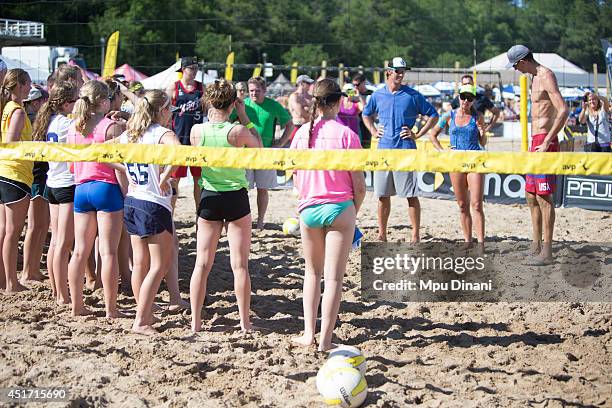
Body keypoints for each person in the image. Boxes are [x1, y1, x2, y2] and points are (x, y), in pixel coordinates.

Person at [290, 78, 366, 352]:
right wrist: (352, 211)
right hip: (339, 207)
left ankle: (308, 334)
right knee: (334, 279)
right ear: (337, 102)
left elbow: (296, 180)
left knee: (312, 274)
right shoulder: (347, 135)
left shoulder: (301, 134)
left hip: (309, 209)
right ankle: (325, 340)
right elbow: (359, 185)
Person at [189, 79, 262, 333]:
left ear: (209, 101)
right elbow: (260, 148)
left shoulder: (197, 131)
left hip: (209, 196)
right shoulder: (238, 131)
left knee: (202, 264)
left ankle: (195, 322)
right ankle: (244, 323)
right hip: (235, 197)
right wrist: (244, 116)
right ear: (233, 103)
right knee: (240, 265)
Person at [119, 90, 180, 335]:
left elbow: (100, 153)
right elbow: (179, 152)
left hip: (132, 200)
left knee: (141, 264)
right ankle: (142, 320)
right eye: (169, 111)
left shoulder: (129, 135)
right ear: (162, 111)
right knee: (160, 265)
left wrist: (124, 168)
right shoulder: (163, 134)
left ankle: (144, 311)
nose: (170, 117)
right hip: (153, 204)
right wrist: (165, 176)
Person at [67, 80, 127, 318]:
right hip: (106, 187)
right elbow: (122, 166)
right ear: (103, 101)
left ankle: (76, 306)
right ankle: (111, 310)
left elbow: (72, 166)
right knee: (108, 252)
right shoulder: (110, 127)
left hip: (81, 189)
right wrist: (126, 194)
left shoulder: (74, 128)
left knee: (80, 251)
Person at [362, 57, 439, 243]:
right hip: (384, 151)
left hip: (405, 150)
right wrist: (373, 130)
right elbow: (366, 115)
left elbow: (434, 115)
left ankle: (415, 235)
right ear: (389, 72)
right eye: (397, 70)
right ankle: (382, 234)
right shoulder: (378, 95)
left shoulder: (412, 95)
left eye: (403, 71)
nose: (401, 74)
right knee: (382, 195)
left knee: (411, 196)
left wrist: (418, 134)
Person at [507, 44, 569, 265]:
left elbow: (563, 110)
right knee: (531, 195)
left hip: (545, 141)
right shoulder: (533, 78)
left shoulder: (546, 75)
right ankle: (536, 246)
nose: (515, 69)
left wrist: (548, 140)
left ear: (524, 60)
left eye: (515, 65)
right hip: (536, 142)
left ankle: (547, 252)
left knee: (544, 197)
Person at [32, 81, 78, 303]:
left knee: (57, 241)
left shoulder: (48, 121)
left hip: (53, 183)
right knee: (63, 243)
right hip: (66, 185)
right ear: (68, 103)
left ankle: (56, 290)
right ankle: (62, 295)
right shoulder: (67, 124)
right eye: (76, 100)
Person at [231, 76, 294, 229]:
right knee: (242, 189)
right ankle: (244, 220)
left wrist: (280, 143)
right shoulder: (242, 105)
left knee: (262, 189)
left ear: (265, 91)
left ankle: (260, 221)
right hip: (245, 153)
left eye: (257, 91)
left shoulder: (273, 105)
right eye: (251, 90)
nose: (253, 93)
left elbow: (290, 125)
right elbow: (227, 121)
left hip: (265, 153)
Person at [429, 85, 487, 246]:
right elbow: (432, 135)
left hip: (474, 160)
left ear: (474, 100)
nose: (466, 101)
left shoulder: (478, 117)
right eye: (464, 97)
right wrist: (442, 151)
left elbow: (482, 143)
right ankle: (468, 241)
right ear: (459, 97)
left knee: (476, 203)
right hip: (455, 161)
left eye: (470, 98)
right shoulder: (449, 115)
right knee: (462, 205)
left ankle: (481, 244)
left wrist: (483, 133)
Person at [0, 69, 33, 293]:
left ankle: (4, 280)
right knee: (12, 233)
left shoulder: (6, 108)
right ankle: (11, 282)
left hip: (5, 173)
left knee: (4, 232)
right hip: (15, 175)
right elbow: (11, 145)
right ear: (20, 85)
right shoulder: (18, 111)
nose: (31, 87)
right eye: (28, 83)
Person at [165, 56, 205, 210]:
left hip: (197, 141)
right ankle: (170, 214)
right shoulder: (174, 88)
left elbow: (209, 109)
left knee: (199, 180)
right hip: (179, 140)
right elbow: (165, 112)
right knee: (174, 180)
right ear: (183, 69)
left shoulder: (202, 88)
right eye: (191, 68)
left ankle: (199, 215)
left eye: (196, 68)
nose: (194, 72)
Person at [21, 86, 51, 283]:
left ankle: (32, 269)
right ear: (35, 102)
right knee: (35, 226)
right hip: (36, 177)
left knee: (40, 226)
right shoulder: (31, 120)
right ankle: (27, 271)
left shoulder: (32, 119)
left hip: (38, 176)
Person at [288, 74, 314, 139]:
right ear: (302, 83)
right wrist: (309, 110)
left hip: (309, 127)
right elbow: (300, 112)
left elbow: (317, 111)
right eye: (308, 83)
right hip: (297, 126)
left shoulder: (311, 97)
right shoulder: (294, 96)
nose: (310, 85)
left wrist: (306, 109)